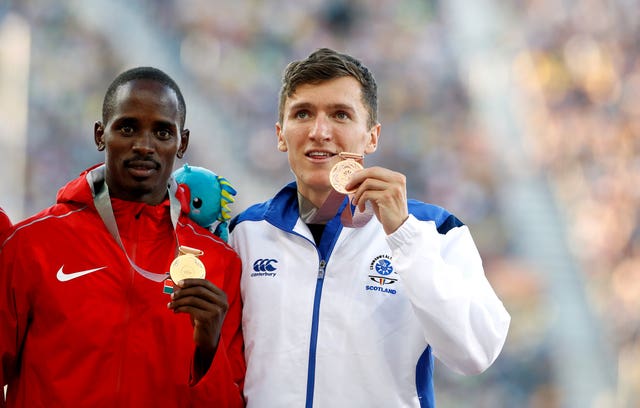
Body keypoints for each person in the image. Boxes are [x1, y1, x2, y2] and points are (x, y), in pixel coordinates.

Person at [229, 48, 511, 407]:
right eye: (302, 113)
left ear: (372, 136)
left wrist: (403, 235)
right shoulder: (245, 234)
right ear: (281, 134)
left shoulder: (436, 231)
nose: (319, 131)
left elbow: (475, 352)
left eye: (340, 115)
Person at [0, 67, 245, 407]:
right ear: (101, 134)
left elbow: (229, 402)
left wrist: (208, 351)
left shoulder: (219, 263)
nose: (144, 146)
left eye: (162, 132)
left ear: (182, 142)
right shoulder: (32, 244)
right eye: (128, 128)